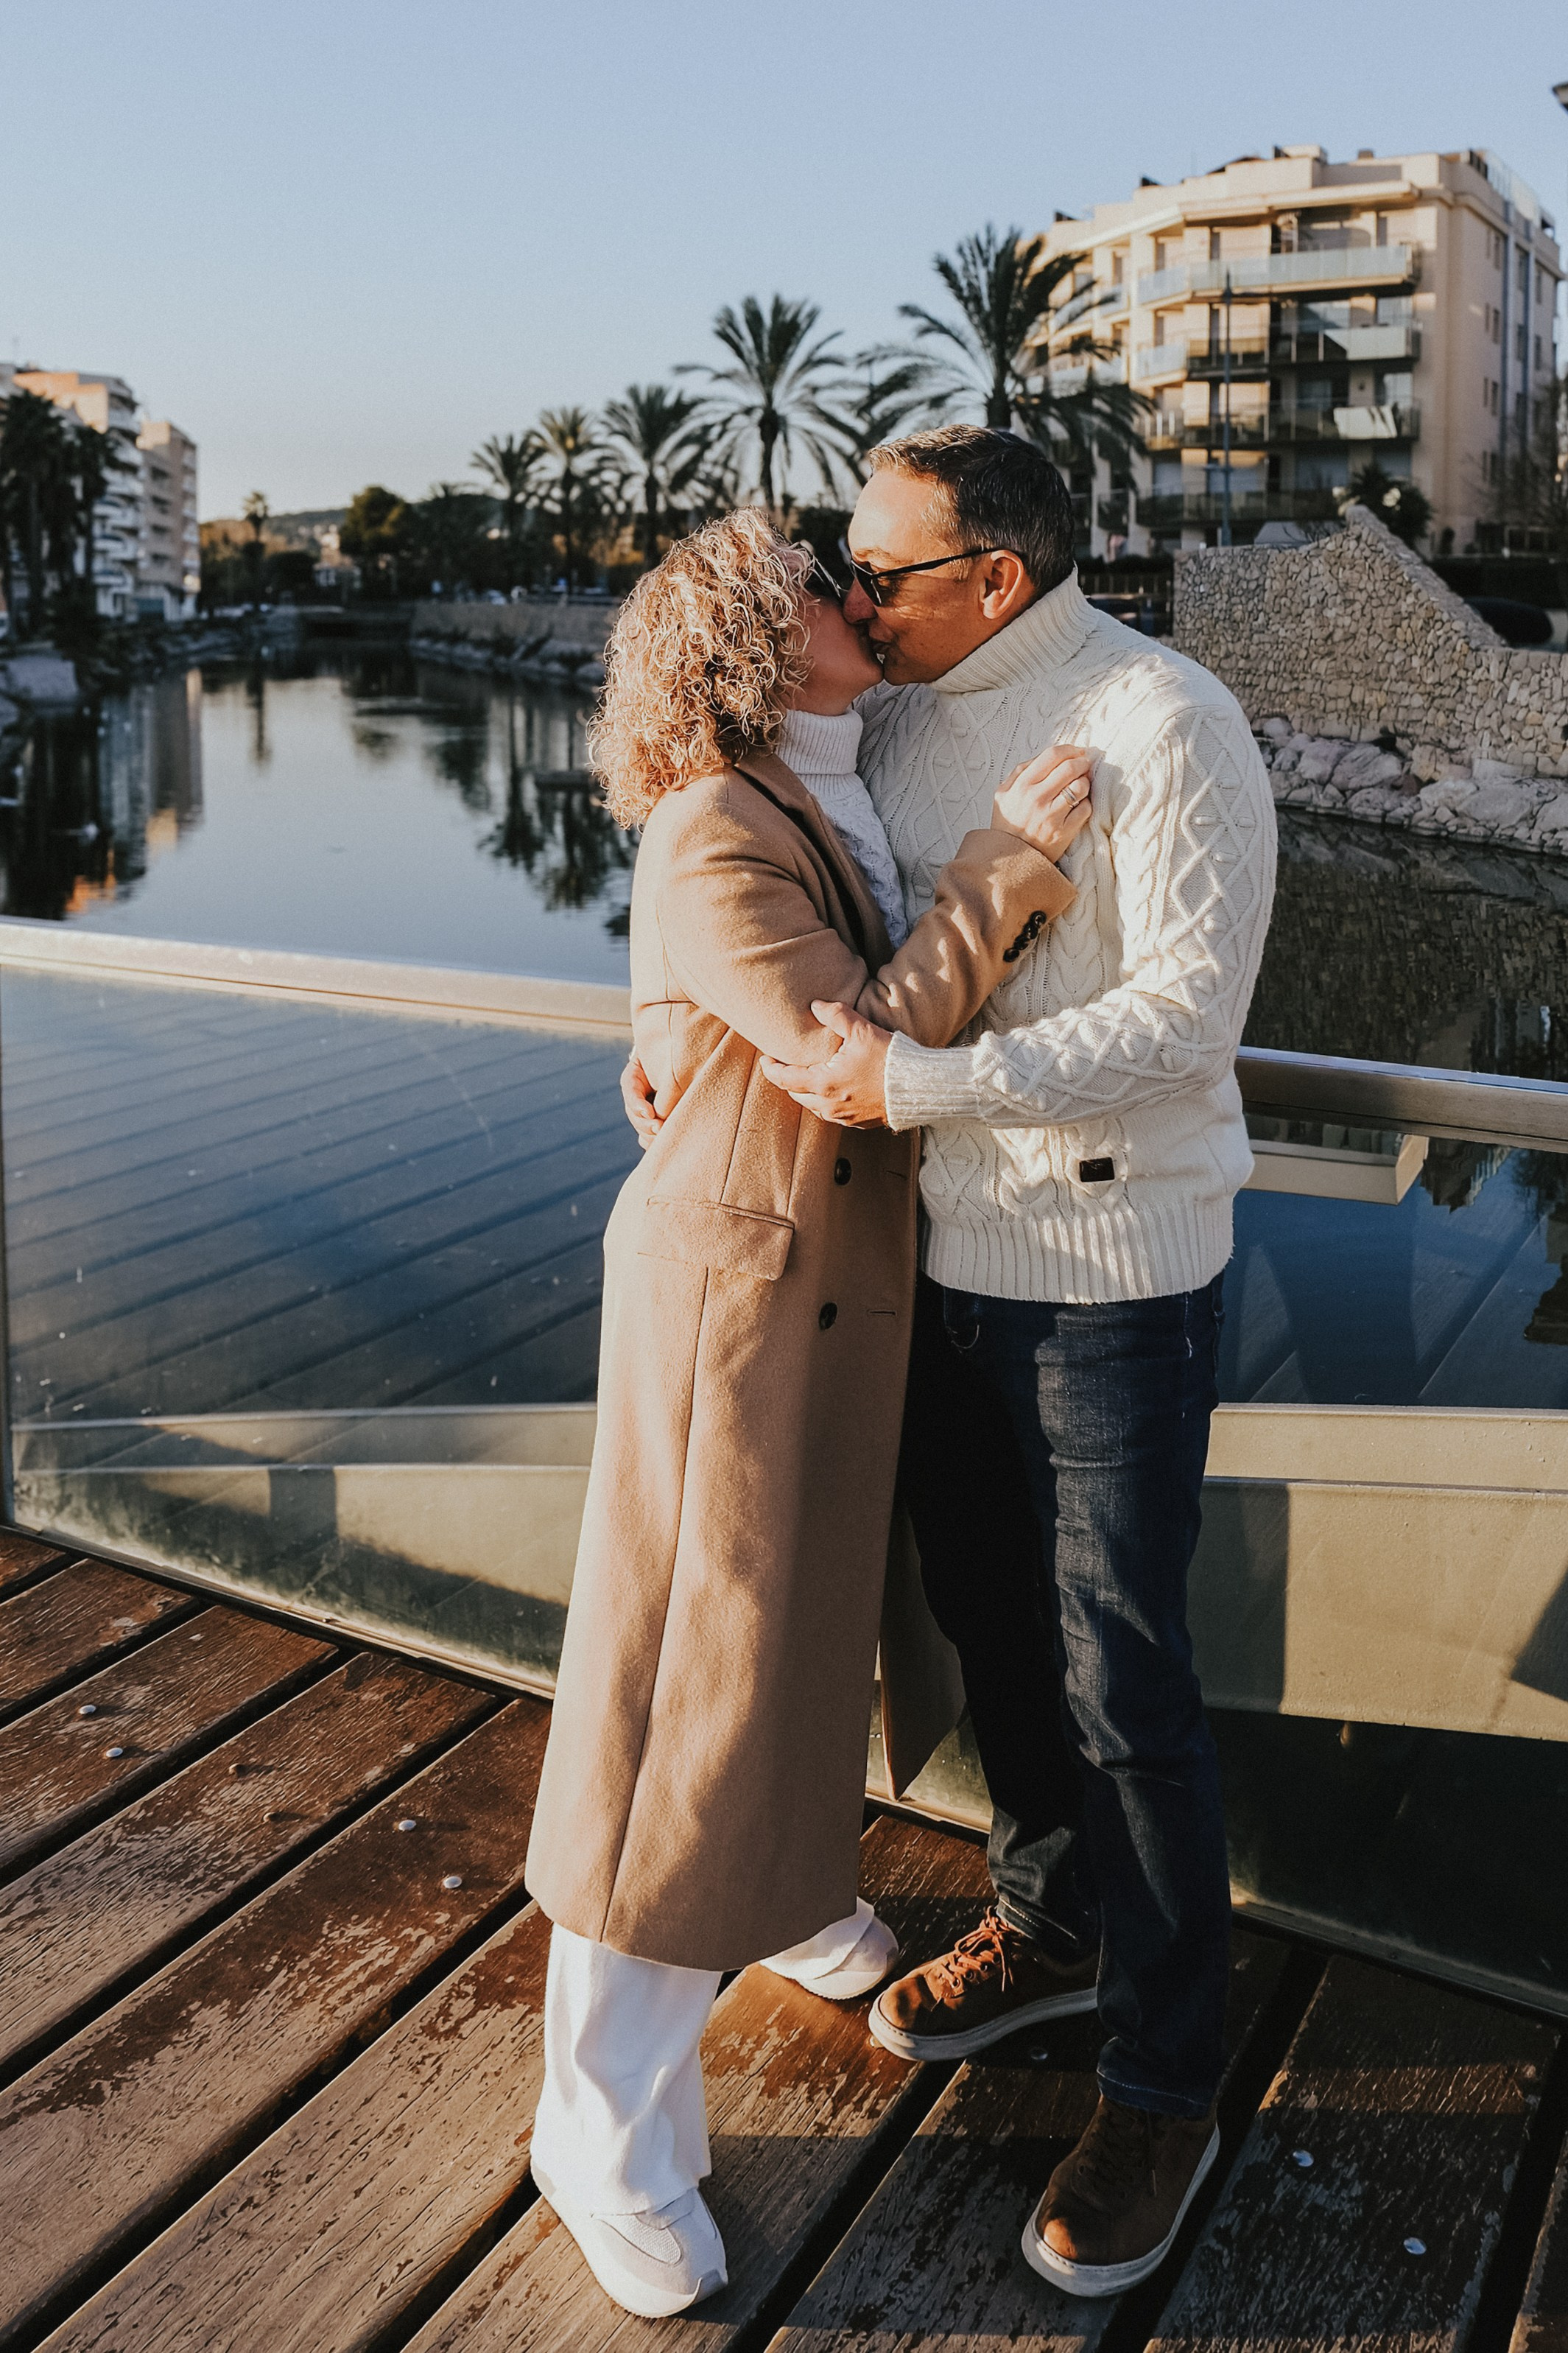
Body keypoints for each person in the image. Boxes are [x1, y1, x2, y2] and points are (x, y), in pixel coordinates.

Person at [627, 427, 1276, 2299]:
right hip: (933, 1272)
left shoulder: (1167, 720)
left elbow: (1186, 1025)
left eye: (880, 572)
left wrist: (933, 1084)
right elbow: (748, 863)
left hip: (1113, 1284)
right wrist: (661, 1019)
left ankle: (1166, 2082)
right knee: (998, 1631)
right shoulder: (897, 720)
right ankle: (1052, 1925)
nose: (851, 596)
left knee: (1126, 1680)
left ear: (992, 578)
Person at [523, 506, 1094, 2320]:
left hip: (829, 1298)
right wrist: (1006, 870)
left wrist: (651, 1007)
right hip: (739, 1303)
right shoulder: (718, 823)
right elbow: (858, 1061)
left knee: (797, 1639)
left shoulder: (828, 776)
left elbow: (697, 959)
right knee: (683, 1685)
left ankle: (774, 1892)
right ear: (756, 652)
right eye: (818, 595)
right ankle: (595, 2119)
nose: (860, 601)